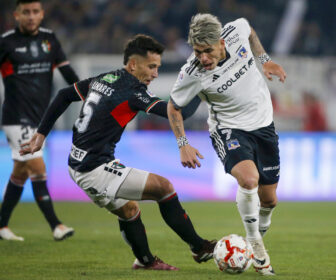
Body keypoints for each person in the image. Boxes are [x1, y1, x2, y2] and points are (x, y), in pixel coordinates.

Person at [20, 34, 215, 270]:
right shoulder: (133, 91)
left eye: (157, 67)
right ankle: (198, 246)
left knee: (129, 209)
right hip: (94, 168)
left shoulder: (106, 78)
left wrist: (41, 134)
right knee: (164, 188)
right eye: (151, 67)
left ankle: (145, 261)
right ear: (133, 65)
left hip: (77, 163)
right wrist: (200, 90)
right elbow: (177, 113)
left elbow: (63, 95)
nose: (155, 74)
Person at [167, 13, 287, 276]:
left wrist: (264, 60)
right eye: (198, 52)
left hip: (264, 126)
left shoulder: (236, 31)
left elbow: (250, 30)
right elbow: (174, 107)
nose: (203, 58)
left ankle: (256, 237)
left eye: (207, 51)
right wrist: (182, 143)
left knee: (269, 200)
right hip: (229, 130)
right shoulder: (192, 72)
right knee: (248, 180)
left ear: (222, 42)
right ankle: (256, 246)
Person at [0, 0, 78, 241]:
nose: (31, 16)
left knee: (20, 172)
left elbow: (66, 72)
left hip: (41, 118)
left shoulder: (50, 39)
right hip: (16, 117)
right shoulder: (6, 42)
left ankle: (1, 226)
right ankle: (56, 225)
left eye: (35, 12)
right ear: (17, 15)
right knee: (37, 166)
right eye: (26, 12)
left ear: (42, 14)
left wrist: (89, 92)